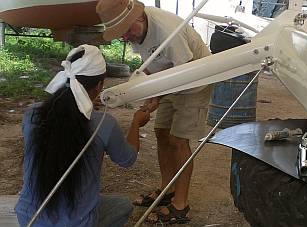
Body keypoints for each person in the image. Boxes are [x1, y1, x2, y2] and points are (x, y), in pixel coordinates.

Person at [96, 0, 212, 224]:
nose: (126, 37)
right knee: (161, 132)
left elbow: (185, 74)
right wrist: (154, 97)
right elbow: (149, 65)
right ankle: (167, 189)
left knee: (178, 140)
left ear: (139, 18)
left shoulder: (168, 31)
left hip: (194, 79)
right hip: (170, 79)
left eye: (127, 31)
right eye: (121, 34)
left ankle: (181, 205)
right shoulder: (135, 31)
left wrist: (157, 96)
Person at [15, 44, 150, 227]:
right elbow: (128, 159)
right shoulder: (103, 124)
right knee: (123, 205)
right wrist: (136, 123)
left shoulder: (31, 115)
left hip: (29, 218)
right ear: (100, 86)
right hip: (77, 223)